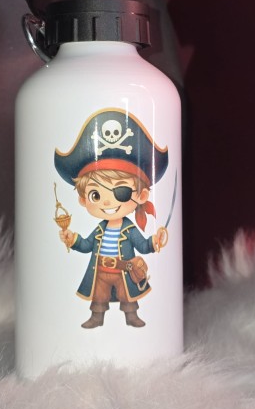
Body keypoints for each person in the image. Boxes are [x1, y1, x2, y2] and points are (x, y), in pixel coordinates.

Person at [54, 109, 169, 329]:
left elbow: (142, 245)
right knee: (99, 295)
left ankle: (131, 316)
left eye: (121, 192)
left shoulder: (129, 229)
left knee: (128, 296)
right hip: (101, 270)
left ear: (141, 196)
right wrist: (72, 239)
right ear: (83, 200)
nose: (107, 202)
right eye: (95, 195)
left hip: (123, 270)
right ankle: (97, 317)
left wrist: (154, 242)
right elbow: (86, 245)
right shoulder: (100, 229)